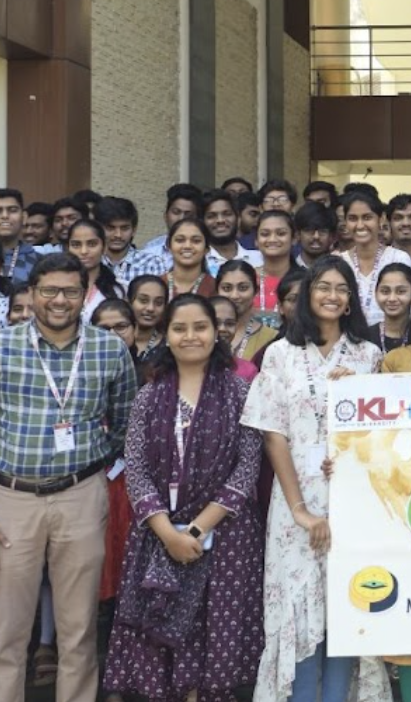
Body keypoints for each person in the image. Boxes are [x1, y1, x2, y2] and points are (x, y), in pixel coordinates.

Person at [0, 253, 139, 702]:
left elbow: (125, 425)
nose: (60, 300)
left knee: (79, 629)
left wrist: (91, 465)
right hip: (11, 499)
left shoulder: (109, 349)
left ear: (85, 295)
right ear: (32, 294)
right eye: (50, 290)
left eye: (71, 291)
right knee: (8, 630)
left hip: (81, 495)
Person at [240, 258, 388, 702]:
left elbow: (384, 436)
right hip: (294, 501)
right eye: (323, 286)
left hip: (353, 499)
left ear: (351, 300)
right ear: (308, 294)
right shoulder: (280, 354)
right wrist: (300, 510)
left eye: (341, 289)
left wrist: (357, 391)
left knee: (346, 608)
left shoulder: (368, 355)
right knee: (299, 612)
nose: (332, 295)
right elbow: (273, 435)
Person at [106, 295, 267, 702]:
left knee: (215, 639)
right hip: (158, 536)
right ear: (165, 335)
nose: (190, 336)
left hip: (226, 536)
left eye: (200, 327)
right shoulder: (149, 395)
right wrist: (168, 534)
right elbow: (136, 468)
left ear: (216, 333)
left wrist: (195, 531)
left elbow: (247, 466)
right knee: (160, 645)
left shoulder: (240, 391)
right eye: (180, 328)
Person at [336, 194, 409, 325]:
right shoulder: (338, 262)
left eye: (367, 217)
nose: (360, 225)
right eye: (353, 218)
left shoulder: (398, 258)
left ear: (381, 219)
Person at [370, 264, 411, 352]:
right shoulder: (364, 337)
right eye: (385, 291)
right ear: (376, 293)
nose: (392, 299)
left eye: (401, 291)